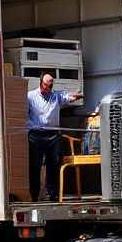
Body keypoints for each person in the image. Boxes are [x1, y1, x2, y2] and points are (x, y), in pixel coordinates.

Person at [27, 73, 82, 201]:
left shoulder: (56, 96)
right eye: (45, 85)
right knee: (35, 165)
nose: (47, 88)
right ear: (41, 83)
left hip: (53, 135)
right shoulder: (30, 96)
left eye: (50, 86)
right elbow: (24, 113)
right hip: (36, 134)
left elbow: (70, 97)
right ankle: (34, 195)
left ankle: (52, 194)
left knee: (54, 164)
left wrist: (77, 95)